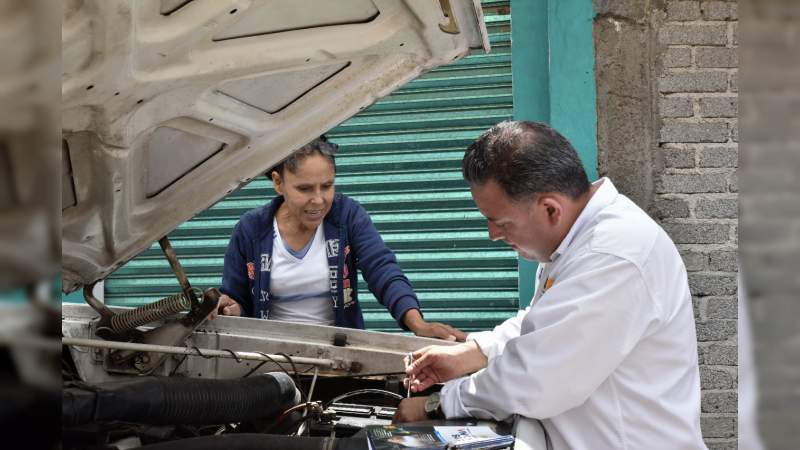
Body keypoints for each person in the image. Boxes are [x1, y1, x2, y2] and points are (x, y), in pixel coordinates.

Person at [393, 121, 707, 449]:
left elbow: (537, 379)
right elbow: (543, 322)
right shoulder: (576, 241)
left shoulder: (613, 254)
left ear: (550, 209)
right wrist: (473, 353)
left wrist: (439, 403)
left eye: (501, 222)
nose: (493, 234)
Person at [214, 136, 465, 341]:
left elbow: (382, 269)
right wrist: (230, 308)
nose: (318, 200)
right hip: (269, 361)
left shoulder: (347, 216)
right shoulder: (251, 230)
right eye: (304, 188)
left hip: (337, 359)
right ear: (278, 182)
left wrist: (417, 324)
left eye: (327, 186)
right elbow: (236, 299)